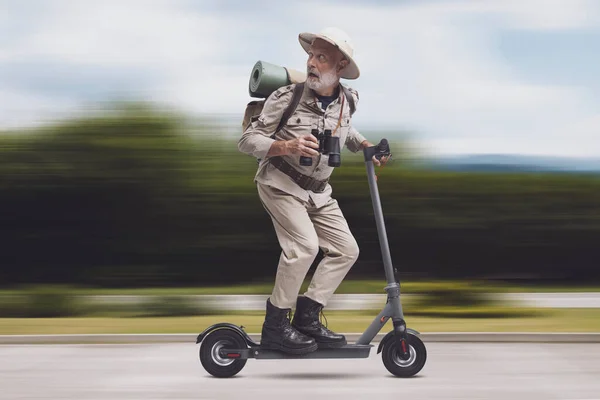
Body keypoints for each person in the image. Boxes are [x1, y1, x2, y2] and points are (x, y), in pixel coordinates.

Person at [238, 27, 387, 355]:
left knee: (346, 250)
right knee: (303, 248)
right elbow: (248, 141)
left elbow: (344, 128)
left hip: (319, 192)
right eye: (310, 55)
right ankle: (275, 327)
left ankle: (307, 317)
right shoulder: (285, 97)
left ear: (341, 66)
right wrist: (286, 144)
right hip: (280, 184)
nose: (312, 62)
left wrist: (365, 146)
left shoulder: (348, 100)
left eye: (322, 57)